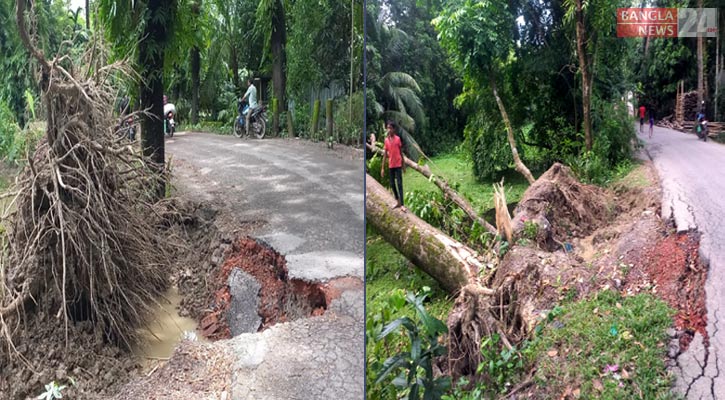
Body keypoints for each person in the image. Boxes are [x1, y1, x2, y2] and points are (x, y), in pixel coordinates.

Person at [380, 120, 406, 211]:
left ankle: (402, 204)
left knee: (399, 184)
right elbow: (385, 155)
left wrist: (403, 165)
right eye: (388, 128)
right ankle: (397, 200)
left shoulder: (398, 139)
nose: (389, 130)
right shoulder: (386, 141)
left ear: (394, 129)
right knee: (392, 184)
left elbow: (401, 152)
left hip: (398, 164)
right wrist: (382, 168)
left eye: (390, 128)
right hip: (391, 165)